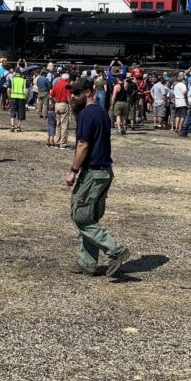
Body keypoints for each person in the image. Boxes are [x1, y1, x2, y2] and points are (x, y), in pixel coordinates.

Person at [65, 77, 131, 278]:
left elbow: (83, 144)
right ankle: (87, 263)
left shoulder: (87, 114)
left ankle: (116, 250)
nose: (73, 96)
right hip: (104, 172)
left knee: (80, 216)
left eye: (77, 93)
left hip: (93, 172)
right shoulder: (101, 112)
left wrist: (73, 170)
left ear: (88, 92)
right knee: (90, 217)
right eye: (72, 93)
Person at [51, 72, 72, 148]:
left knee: (58, 124)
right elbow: (68, 97)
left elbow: (51, 95)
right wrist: (70, 105)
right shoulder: (67, 85)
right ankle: (62, 143)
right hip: (64, 104)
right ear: (67, 79)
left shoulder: (56, 84)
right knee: (64, 125)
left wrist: (55, 101)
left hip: (57, 104)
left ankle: (57, 142)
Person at [8, 67, 28, 132]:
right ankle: (18, 127)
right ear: (20, 73)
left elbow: (8, 90)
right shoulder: (24, 81)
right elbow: (26, 91)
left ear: (15, 73)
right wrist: (26, 98)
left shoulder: (12, 80)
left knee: (12, 112)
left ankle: (12, 126)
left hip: (13, 98)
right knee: (20, 112)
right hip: (22, 98)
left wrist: (9, 98)